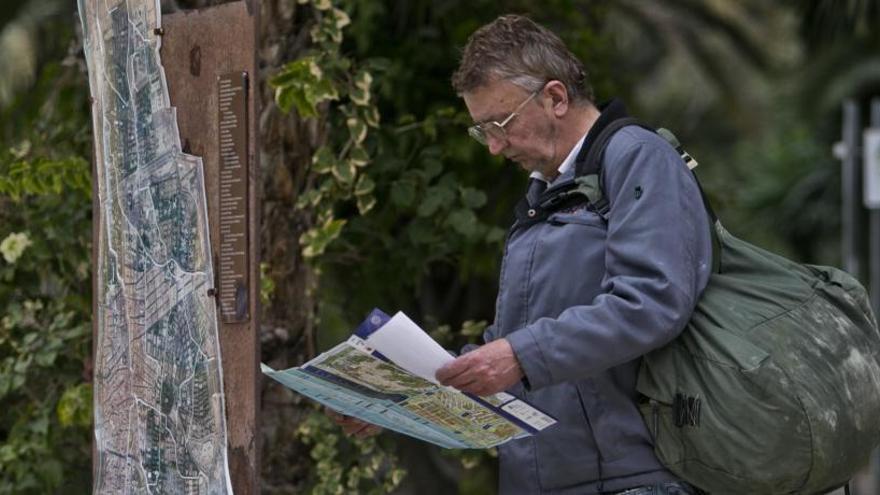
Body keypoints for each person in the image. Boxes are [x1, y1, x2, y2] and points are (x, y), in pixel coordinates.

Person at [335, 14, 713, 495]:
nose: (493, 147)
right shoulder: (544, 196)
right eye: (481, 130)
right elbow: (512, 350)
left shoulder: (638, 156)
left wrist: (518, 355)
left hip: (633, 478)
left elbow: (653, 300)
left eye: (500, 123)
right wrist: (396, 397)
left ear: (555, 97)